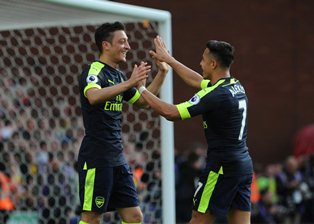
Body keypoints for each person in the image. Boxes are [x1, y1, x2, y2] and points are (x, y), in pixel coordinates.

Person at [138, 36, 253, 224]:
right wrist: (170, 60)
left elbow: (171, 112)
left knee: (199, 218)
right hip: (242, 165)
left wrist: (141, 89)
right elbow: (197, 80)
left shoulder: (214, 95)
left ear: (213, 64)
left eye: (203, 60)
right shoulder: (234, 85)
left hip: (221, 167)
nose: (200, 63)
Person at [77, 22, 168, 224]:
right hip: (97, 157)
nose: (128, 46)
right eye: (123, 41)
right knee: (92, 216)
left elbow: (143, 102)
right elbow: (93, 96)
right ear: (106, 45)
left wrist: (162, 73)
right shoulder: (94, 70)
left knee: (134, 216)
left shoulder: (117, 75)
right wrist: (129, 82)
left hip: (117, 158)